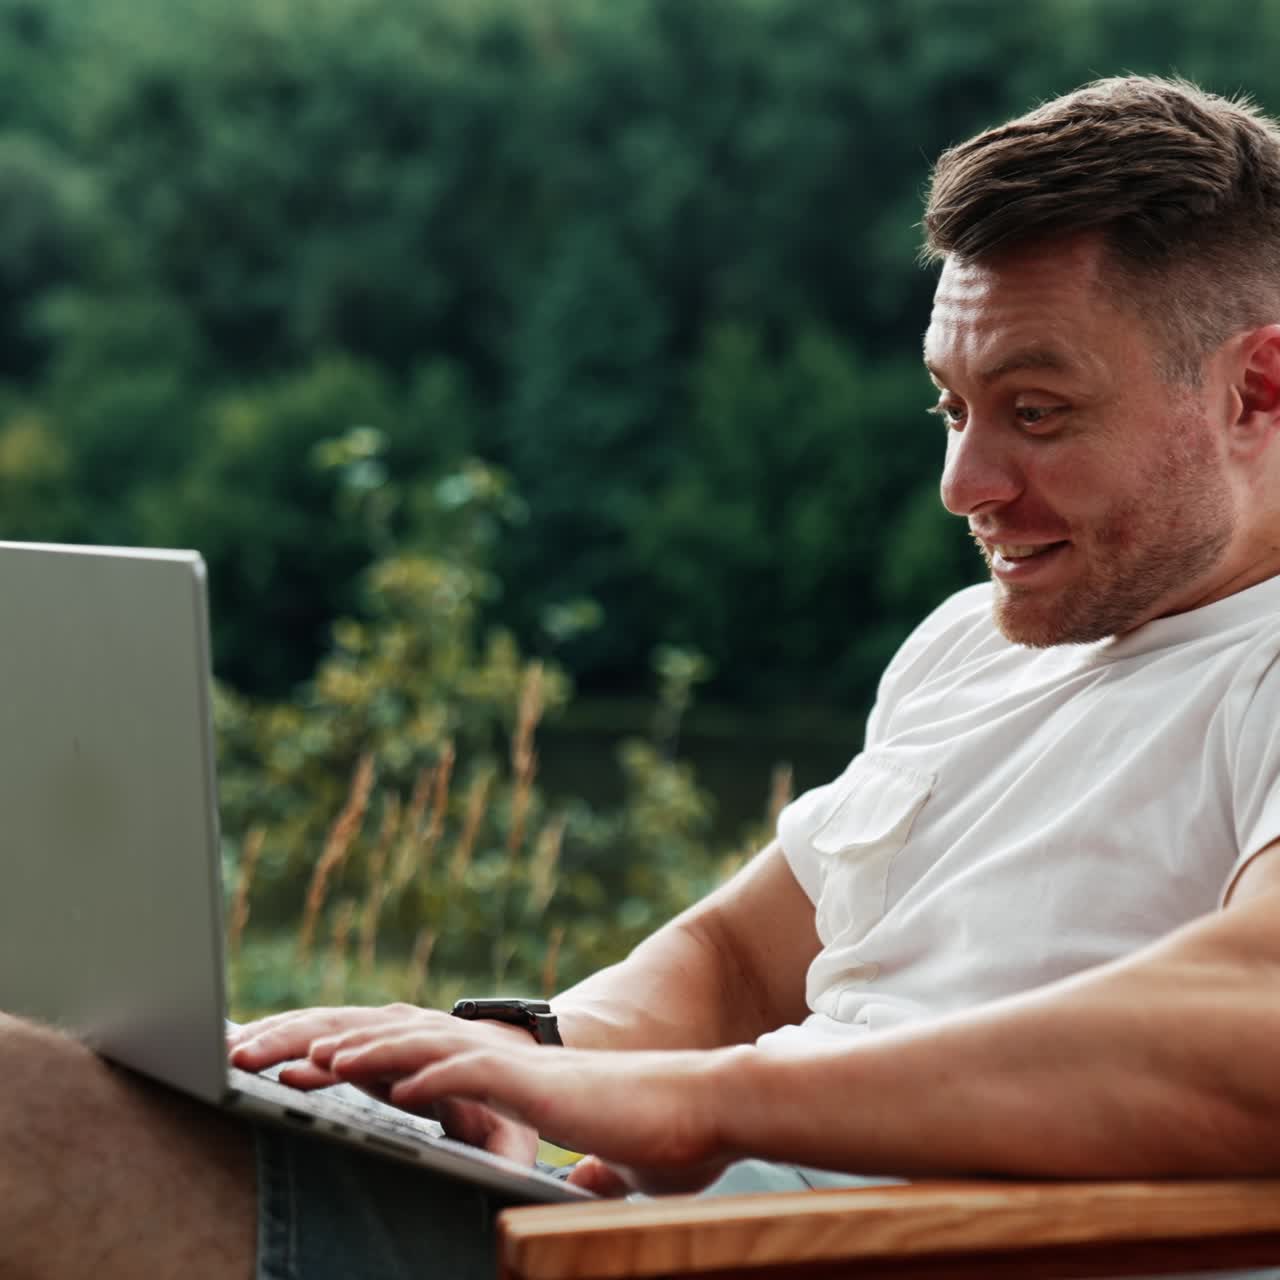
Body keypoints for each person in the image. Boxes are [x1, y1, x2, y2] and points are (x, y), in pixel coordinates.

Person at [6, 71, 1280, 1279]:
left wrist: (691, 1101)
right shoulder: (973, 642)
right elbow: (735, 956)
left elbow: (1253, 1028)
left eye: (1036, 410)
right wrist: (521, 1049)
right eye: (950, 409)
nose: (963, 485)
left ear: (1255, 386)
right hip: (628, 1234)